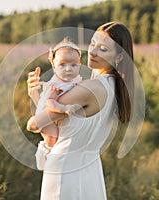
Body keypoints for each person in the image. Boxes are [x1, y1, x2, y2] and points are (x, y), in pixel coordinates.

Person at [27, 22, 134, 200]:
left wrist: (36, 96)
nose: (92, 52)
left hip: (64, 170)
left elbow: (34, 124)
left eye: (102, 49)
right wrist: (37, 95)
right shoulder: (113, 86)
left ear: (119, 57)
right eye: (92, 44)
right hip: (90, 169)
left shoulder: (87, 89)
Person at [29, 37, 83, 170]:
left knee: (60, 140)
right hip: (45, 119)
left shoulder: (76, 81)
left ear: (80, 65)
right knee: (53, 141)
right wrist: (64, 108)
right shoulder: (55, 85)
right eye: (62, 65)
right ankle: (44, 159)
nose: (68, 69)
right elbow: (51, 104)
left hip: (55, 118)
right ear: (54, 66)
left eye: (73, 65)